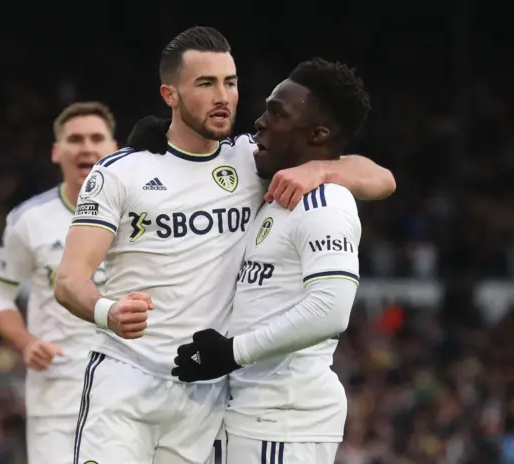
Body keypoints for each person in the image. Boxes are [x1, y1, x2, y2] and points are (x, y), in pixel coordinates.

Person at [54, 27, 395, 464]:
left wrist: (322, 171)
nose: (224, 96)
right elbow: (68, 280)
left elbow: (382, 179)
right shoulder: (120, 172)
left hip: (205, 392)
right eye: (205, 83)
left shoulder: (251, 160)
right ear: (170, 95)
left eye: (230, 83)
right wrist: (108, 312)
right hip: (126, 382)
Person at [171, 59, 370, 463]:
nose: (260, 122)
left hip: (286, 419)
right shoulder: (276, 198)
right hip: (250, 414)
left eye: (277, 113)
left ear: (318, 135)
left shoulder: (326, 202)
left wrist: (231, 352)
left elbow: (331, 310)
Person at [0, 102, 118, 464]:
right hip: (57, 397)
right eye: (74, 139)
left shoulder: (144, 215)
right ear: (57, 151)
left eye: (96, 138)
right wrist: (26, 342)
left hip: (131, 391)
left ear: (115, 149)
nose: (86, 147)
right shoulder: (30, 220)